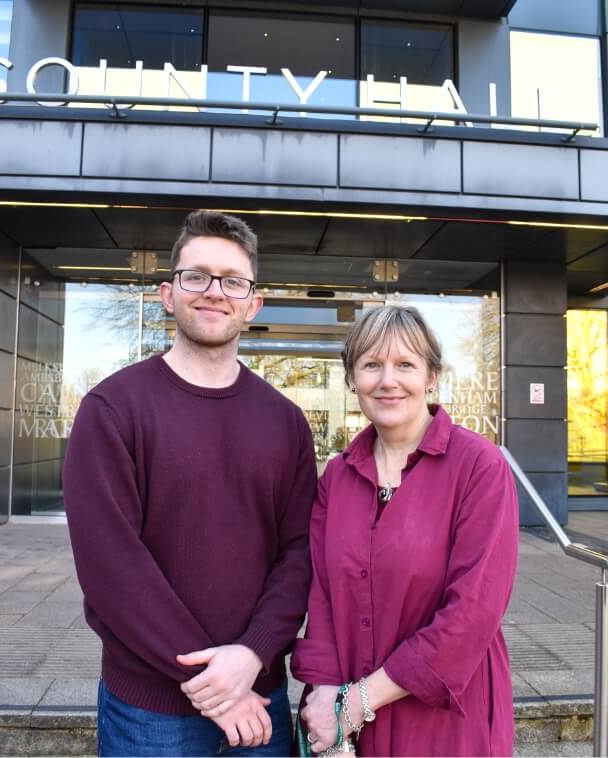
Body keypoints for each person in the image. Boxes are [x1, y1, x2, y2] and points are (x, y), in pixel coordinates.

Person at [63, 211, 317, 757]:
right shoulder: (112, 410)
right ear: (167, 294)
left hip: (261, 697)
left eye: (233, 280)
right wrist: (219, 690)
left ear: (253, 303)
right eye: (196, 276)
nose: (214, 292)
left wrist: (251, 656)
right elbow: (112, 568)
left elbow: (299, 555)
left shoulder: (286, 422)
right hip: (150, 713)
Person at [290, 305, 519, 757]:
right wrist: (325, 691)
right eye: (372, 365)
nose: (387, 380)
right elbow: (320, 594)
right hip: (346, 716)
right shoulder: (336, 477)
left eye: (405, 365)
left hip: (444, 717)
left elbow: (471, 613)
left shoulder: (479, 467)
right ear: (353, 379)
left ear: (432, 376)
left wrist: (358, 701)